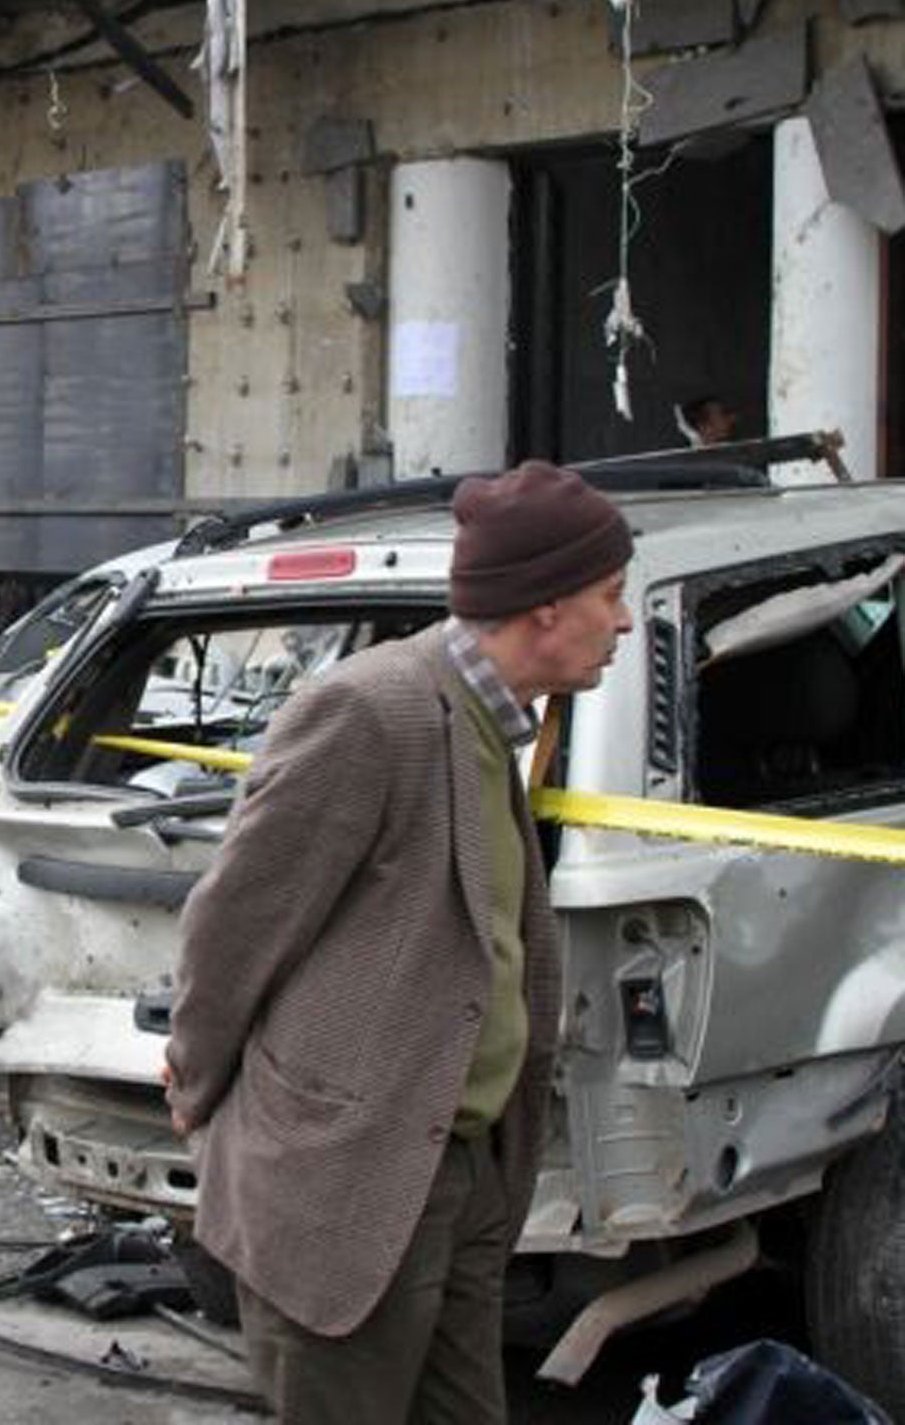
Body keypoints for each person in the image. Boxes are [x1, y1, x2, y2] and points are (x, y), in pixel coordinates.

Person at [164, 461, 636, 1424]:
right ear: (545, 608)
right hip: (345, 1183)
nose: (623, 622)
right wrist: (196, 1080)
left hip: (455, 1173)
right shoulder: (373, 713)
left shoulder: (487, 724)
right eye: (611, 596)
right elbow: (237, 923)